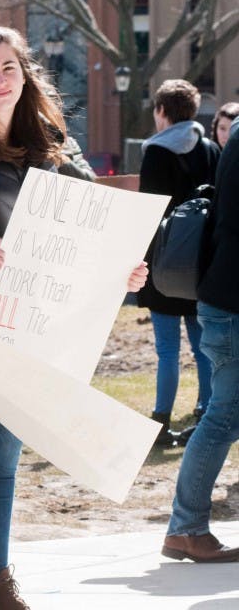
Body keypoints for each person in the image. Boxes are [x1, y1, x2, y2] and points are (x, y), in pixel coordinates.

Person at [0, 25, 148, 610]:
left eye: (8, 68)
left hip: (29, 323)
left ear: (24, 71)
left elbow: (87, 223)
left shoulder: (49, 138)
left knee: (3, 461)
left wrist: (120, 272)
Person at [162, 117, 239, 563]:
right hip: (231, 304)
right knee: (223, 417)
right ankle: (186, 527)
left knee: (224, 416)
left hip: (226, 297)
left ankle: (185, 526)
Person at [137, 79, 218, 446]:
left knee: (167, 348)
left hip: (165, 262)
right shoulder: (211, 149)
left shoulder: (155, 153)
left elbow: (149, 212)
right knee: (202, 346)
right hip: (201, 265)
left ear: (162, 111)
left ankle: (161, 420)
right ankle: (205, 413)